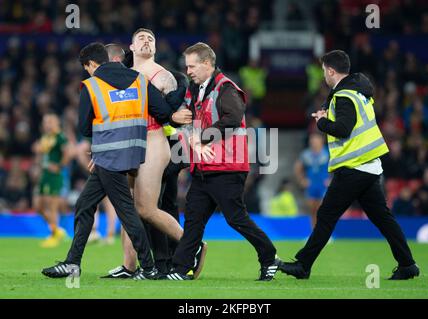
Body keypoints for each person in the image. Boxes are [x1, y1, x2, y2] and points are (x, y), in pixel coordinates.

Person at [41, 42, 180, 278]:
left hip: (108, 155)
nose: (88, 71)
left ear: (92, 64)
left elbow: (84, 127)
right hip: (135, 153)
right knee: (85, 204)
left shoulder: (91, 85)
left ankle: (147, 266)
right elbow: (163, 111)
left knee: (126, 210)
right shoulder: (138, 79)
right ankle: (72, 263)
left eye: (87, 67)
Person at [279, 50, 419, 280]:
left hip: (354, 167)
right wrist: (327, 112)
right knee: (382, 218)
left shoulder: (344, 96)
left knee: (326, 215)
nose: (324, 75)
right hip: (368, 166)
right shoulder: (356, 93)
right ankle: (407, 264)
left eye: (324, 71)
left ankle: (303, 265)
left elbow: (344, 129)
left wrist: (322, 122)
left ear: (331, 71)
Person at [165, 42, 280, 281]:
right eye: (187, 67)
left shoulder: (226, 88)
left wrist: (201, 137)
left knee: (236, 218)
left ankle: (269, 256)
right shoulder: (195, 90)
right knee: (194, 221)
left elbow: (234, 118)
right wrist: (176, 119)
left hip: (227, 167)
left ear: (207, 63)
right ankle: (179, 269)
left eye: (192, 66)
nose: (188, 71)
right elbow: (185, 118)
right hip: (203, 168)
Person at [103, 31, 206, 280]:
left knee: (147, 208)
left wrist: (190, 143)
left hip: (153, 141)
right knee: (127, 206)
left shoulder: (165, 76)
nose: (146, 41)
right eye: (141, 38)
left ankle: (192, 246)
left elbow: (179, 114)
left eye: (151, 38)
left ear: (156, 48)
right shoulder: (124, 75)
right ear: (131, 47)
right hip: (129, 142)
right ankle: (129, 265)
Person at [33, 113, 72, 248]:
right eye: (45, 122)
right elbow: (42, 156)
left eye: (50, 121)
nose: (47, 124)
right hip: (44, 174)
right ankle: (57, 230)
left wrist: (60, 166)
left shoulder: (60, 137)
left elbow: (68, 152)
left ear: (56, 123)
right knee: (38, 206)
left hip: (54, 175)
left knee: (52, 206)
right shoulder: (45, 138)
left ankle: (54, 235)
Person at [294, 132, 329, 227]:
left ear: (321, 141)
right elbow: (297, 167)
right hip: (311, 185)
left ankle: (324, 234)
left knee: (323, 210)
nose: (314, 142)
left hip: (323, 185)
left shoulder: (328, 153)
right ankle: (313, 234)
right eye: (312, 140)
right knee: (312, 211)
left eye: (316, 140)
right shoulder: (306, 154)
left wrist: (331, 179)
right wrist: (302, 180)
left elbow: (337, 166)